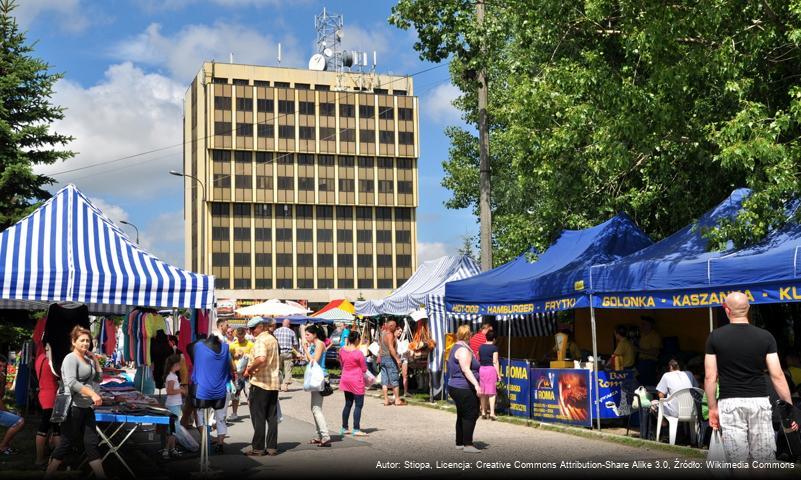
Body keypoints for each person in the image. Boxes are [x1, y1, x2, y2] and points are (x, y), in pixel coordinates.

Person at [705, 292, 798, 463]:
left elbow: (711, 376)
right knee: (762, 458)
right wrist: (789, 408)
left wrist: (712, 408)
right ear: (748, 308)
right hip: (759, 402)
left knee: (737, 459)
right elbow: (777, 375)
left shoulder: (715, 337)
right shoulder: (765, 337)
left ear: (726, 310)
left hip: (730, 403)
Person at [46, 327, 106, 479]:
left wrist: (96, 361)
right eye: (82, 340)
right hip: (73, 407)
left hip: (87, 407)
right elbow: (71, 382)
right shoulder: (70, 359)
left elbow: (98, 379)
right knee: (66, 443)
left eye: (88, 340)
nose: (86, 343)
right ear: (74, 342)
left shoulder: (87, 359)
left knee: (92, 443)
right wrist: (92, 393)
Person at [243, 317, 280, 457]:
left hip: (260, 383)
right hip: (273, 382)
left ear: (260, 327)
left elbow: (261, 358)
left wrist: (249, 370)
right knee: (271, 416)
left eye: (252, 329)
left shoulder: (260, 340)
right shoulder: (272, 339)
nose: (251, 331)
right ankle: (272, 447)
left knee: (258, 416)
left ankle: (258, 448)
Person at [448, 325, 481, 453]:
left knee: (462, 414)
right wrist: (476, 385)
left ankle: (460, 442)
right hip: (463, 387)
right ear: (468, 335)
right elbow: (466, 369)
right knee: (470, 414)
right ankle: (468, 444)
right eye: (471, 334)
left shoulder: (457, 346)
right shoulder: (463, 350)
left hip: (457, 386)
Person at [302, 324, 331, 447]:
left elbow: (314, 360)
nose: (306, 337)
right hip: (317, 377)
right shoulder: (316, 344)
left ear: (314, 334)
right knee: (314, 407)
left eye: (308, 334)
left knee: (316, 408)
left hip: (320, 377)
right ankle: (320, 435)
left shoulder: (319, 344)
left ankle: (325, 435)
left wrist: (305, 349)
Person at [338, 331, 368, 437]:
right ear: (356, 339)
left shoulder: (341, 350)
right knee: (358, 405)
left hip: (345, 379)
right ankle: (356, 428)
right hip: (356, 380)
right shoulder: (358, 353)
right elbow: (364, 369)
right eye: (359, 339)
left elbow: (341, 364)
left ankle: (344, 427)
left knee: (348, 404)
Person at [33, 350, 60, 466]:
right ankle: (42, 459)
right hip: (51, 395)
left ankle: (54, 457)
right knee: (50, 428)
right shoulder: (51, 359)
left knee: (54, 428)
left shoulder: (40, 357)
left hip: (43, 393)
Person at [377, 319, 406, 406]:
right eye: (395, 326)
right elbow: (391, 348)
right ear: (391, 326)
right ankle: (397, 400)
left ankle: (386, 400)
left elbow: (381, 347)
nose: (396, 327)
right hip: (390, 358)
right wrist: (397, 359)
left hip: (383, 358)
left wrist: (380, 357)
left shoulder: (382, 334)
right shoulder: (389, 335)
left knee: (384, 380)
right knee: (394, 379)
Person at [0, 354, 24, 457]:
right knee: (20, 421)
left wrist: (2, 382)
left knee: (16, 414)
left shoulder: (1, 377)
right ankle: (3, 447)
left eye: (3, 367)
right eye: (0, 366)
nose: (2, 369)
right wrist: (7, 411)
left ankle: (6, 445)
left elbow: (1, 396)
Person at [229, 327, 254, 421]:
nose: (240, 339)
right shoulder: (232, 345)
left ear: (244, 335)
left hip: (247, 373)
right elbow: (229, 357)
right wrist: (234, 355)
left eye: (241, 337)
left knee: (249, 393)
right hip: (236, 373)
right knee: (235, 394)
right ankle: (234, 413)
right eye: (238, 337)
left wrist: (247, 356)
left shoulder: (250, 344)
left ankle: (253, 413)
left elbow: (254, 357)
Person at [163, 354, 185, 459]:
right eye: (180, 364)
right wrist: (180, 390)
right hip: (173, 405)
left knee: (173, 428)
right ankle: (167, 450)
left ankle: (172, 449)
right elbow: (169, 391)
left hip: (174, 404)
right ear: (175, 364)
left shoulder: (172, 375)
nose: (181, 365)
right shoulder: (171, 376)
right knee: (173, 429)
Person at [478, 331, 501, 421]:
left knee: (483, 392)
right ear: (494, 339)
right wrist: (498, 374)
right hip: (490, 370)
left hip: (482, 369)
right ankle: (492, 413)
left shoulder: (481, 347)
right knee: (492, 393)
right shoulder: (494, 348)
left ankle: (483, 412)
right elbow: (495, 361)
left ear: (486, 337)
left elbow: (480, 358)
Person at [274, 319, 299, 392]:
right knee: (288, 370)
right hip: (288, 352)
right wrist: (296, 353)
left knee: (278, 369)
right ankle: (285, 386)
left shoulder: (276, 331)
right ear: (289, 325)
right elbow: (295, 344)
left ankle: (278, 385)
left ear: (282, 323)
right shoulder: (291, 332)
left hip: (278, 353)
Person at [637, 316, 662, 386]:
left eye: (644, 324)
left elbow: (655, 352)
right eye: (642, 324)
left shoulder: (655, 336)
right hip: (641, 362)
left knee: (649, 385)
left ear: (650, 325)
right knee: (642, 385)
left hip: (649, 363)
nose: (642, 326)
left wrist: (638, 350)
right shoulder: (642, 335)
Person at [395, 326, 410, 397]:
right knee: (396, 375)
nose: (400, 333)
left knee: (405, 375)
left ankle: (405, 392)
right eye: (399, 331)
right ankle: (395, 393)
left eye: (401, 332)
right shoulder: (394, 339)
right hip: (397, 359)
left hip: (404, 358)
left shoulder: (402, 339)